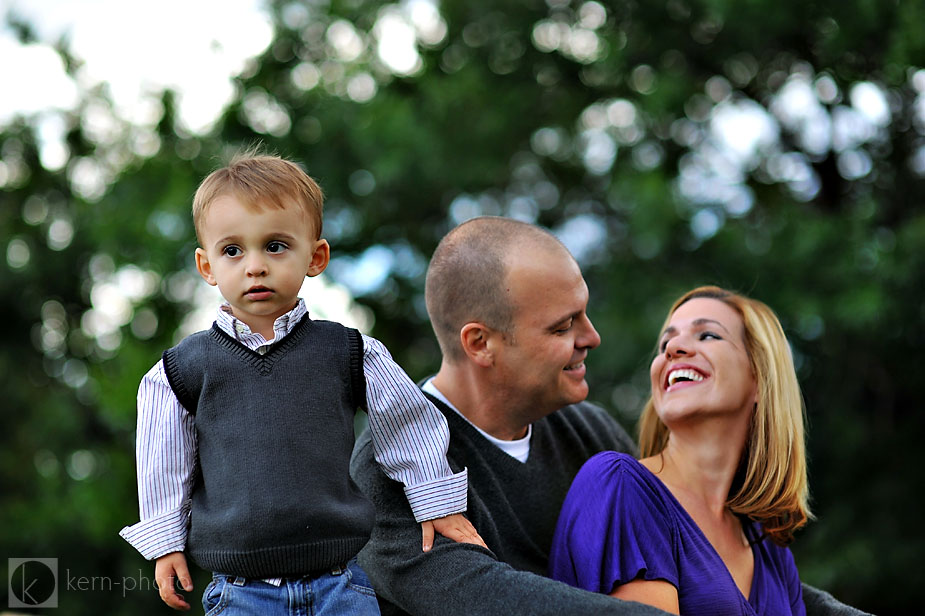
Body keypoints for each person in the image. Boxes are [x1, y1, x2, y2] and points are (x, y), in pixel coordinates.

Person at [350, 217, 868, 616]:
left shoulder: (589, 432)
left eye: (585, 312)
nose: (591, 337)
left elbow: (698, 556)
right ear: (481, 343)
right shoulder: (392, 457)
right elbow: (471, 595)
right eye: (563, 327)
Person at [120, 153, 484, 614]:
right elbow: (163, 464)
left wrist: (436, 502)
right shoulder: (181, 370)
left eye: (275, 246)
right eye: (232, 250)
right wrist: (165, 542)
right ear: (206, 266)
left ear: (315, 257)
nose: (254, 266)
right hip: (240, 592)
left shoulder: (349, 352)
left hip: (341, 584)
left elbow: (409, 426)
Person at [549, 286, 812, 615]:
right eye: (665, 343)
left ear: (759, 377)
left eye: (707, 336)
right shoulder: (621, 485)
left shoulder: (769, 547)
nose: (673, 347)